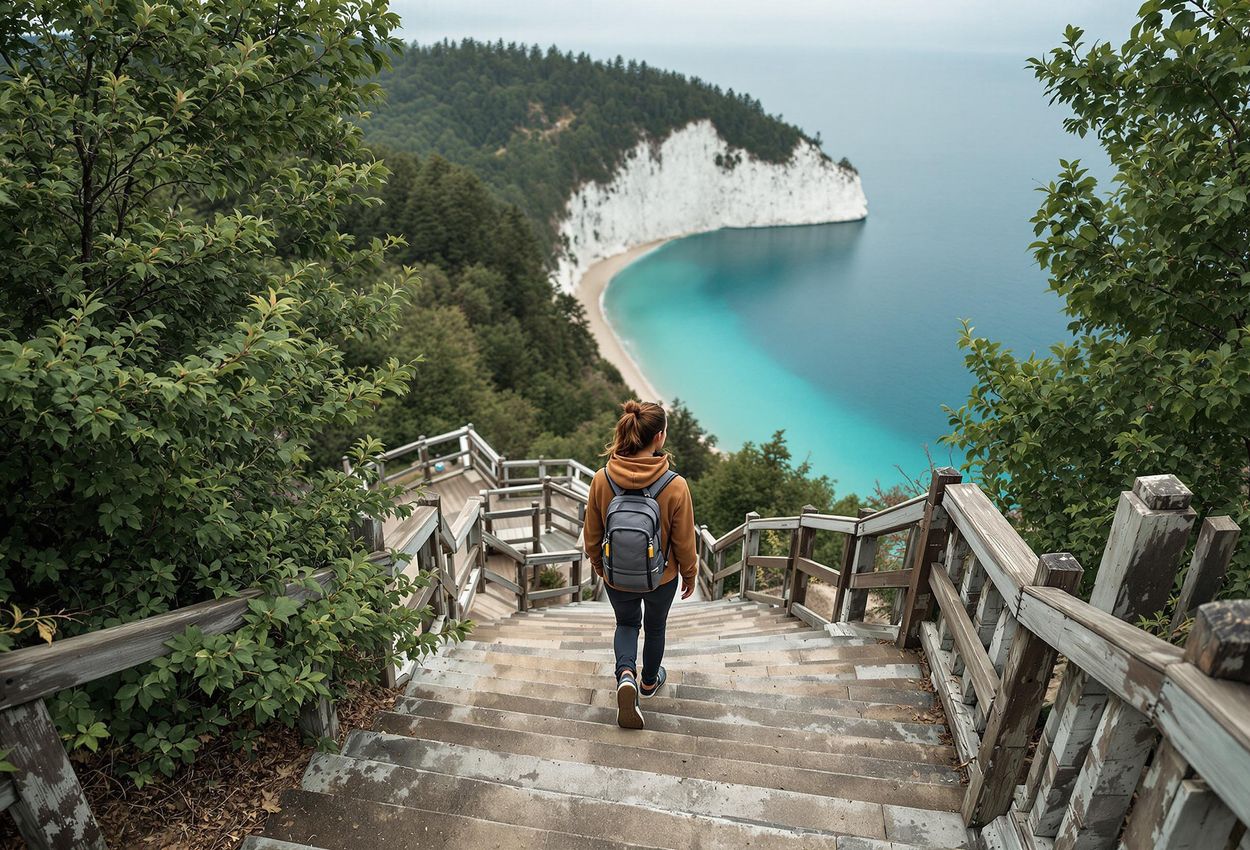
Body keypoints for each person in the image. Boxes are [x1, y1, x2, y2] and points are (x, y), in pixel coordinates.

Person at [583, 400, 697, 729]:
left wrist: (600, 564)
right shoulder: (675, 485)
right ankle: (648, 682)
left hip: (618, 575)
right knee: (655, 627)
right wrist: (688, 573)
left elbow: (592, 532)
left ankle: (625, 675)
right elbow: (685, 541)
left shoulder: (602, 479)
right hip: (662, 577)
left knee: (627, 624)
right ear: (659, 437)